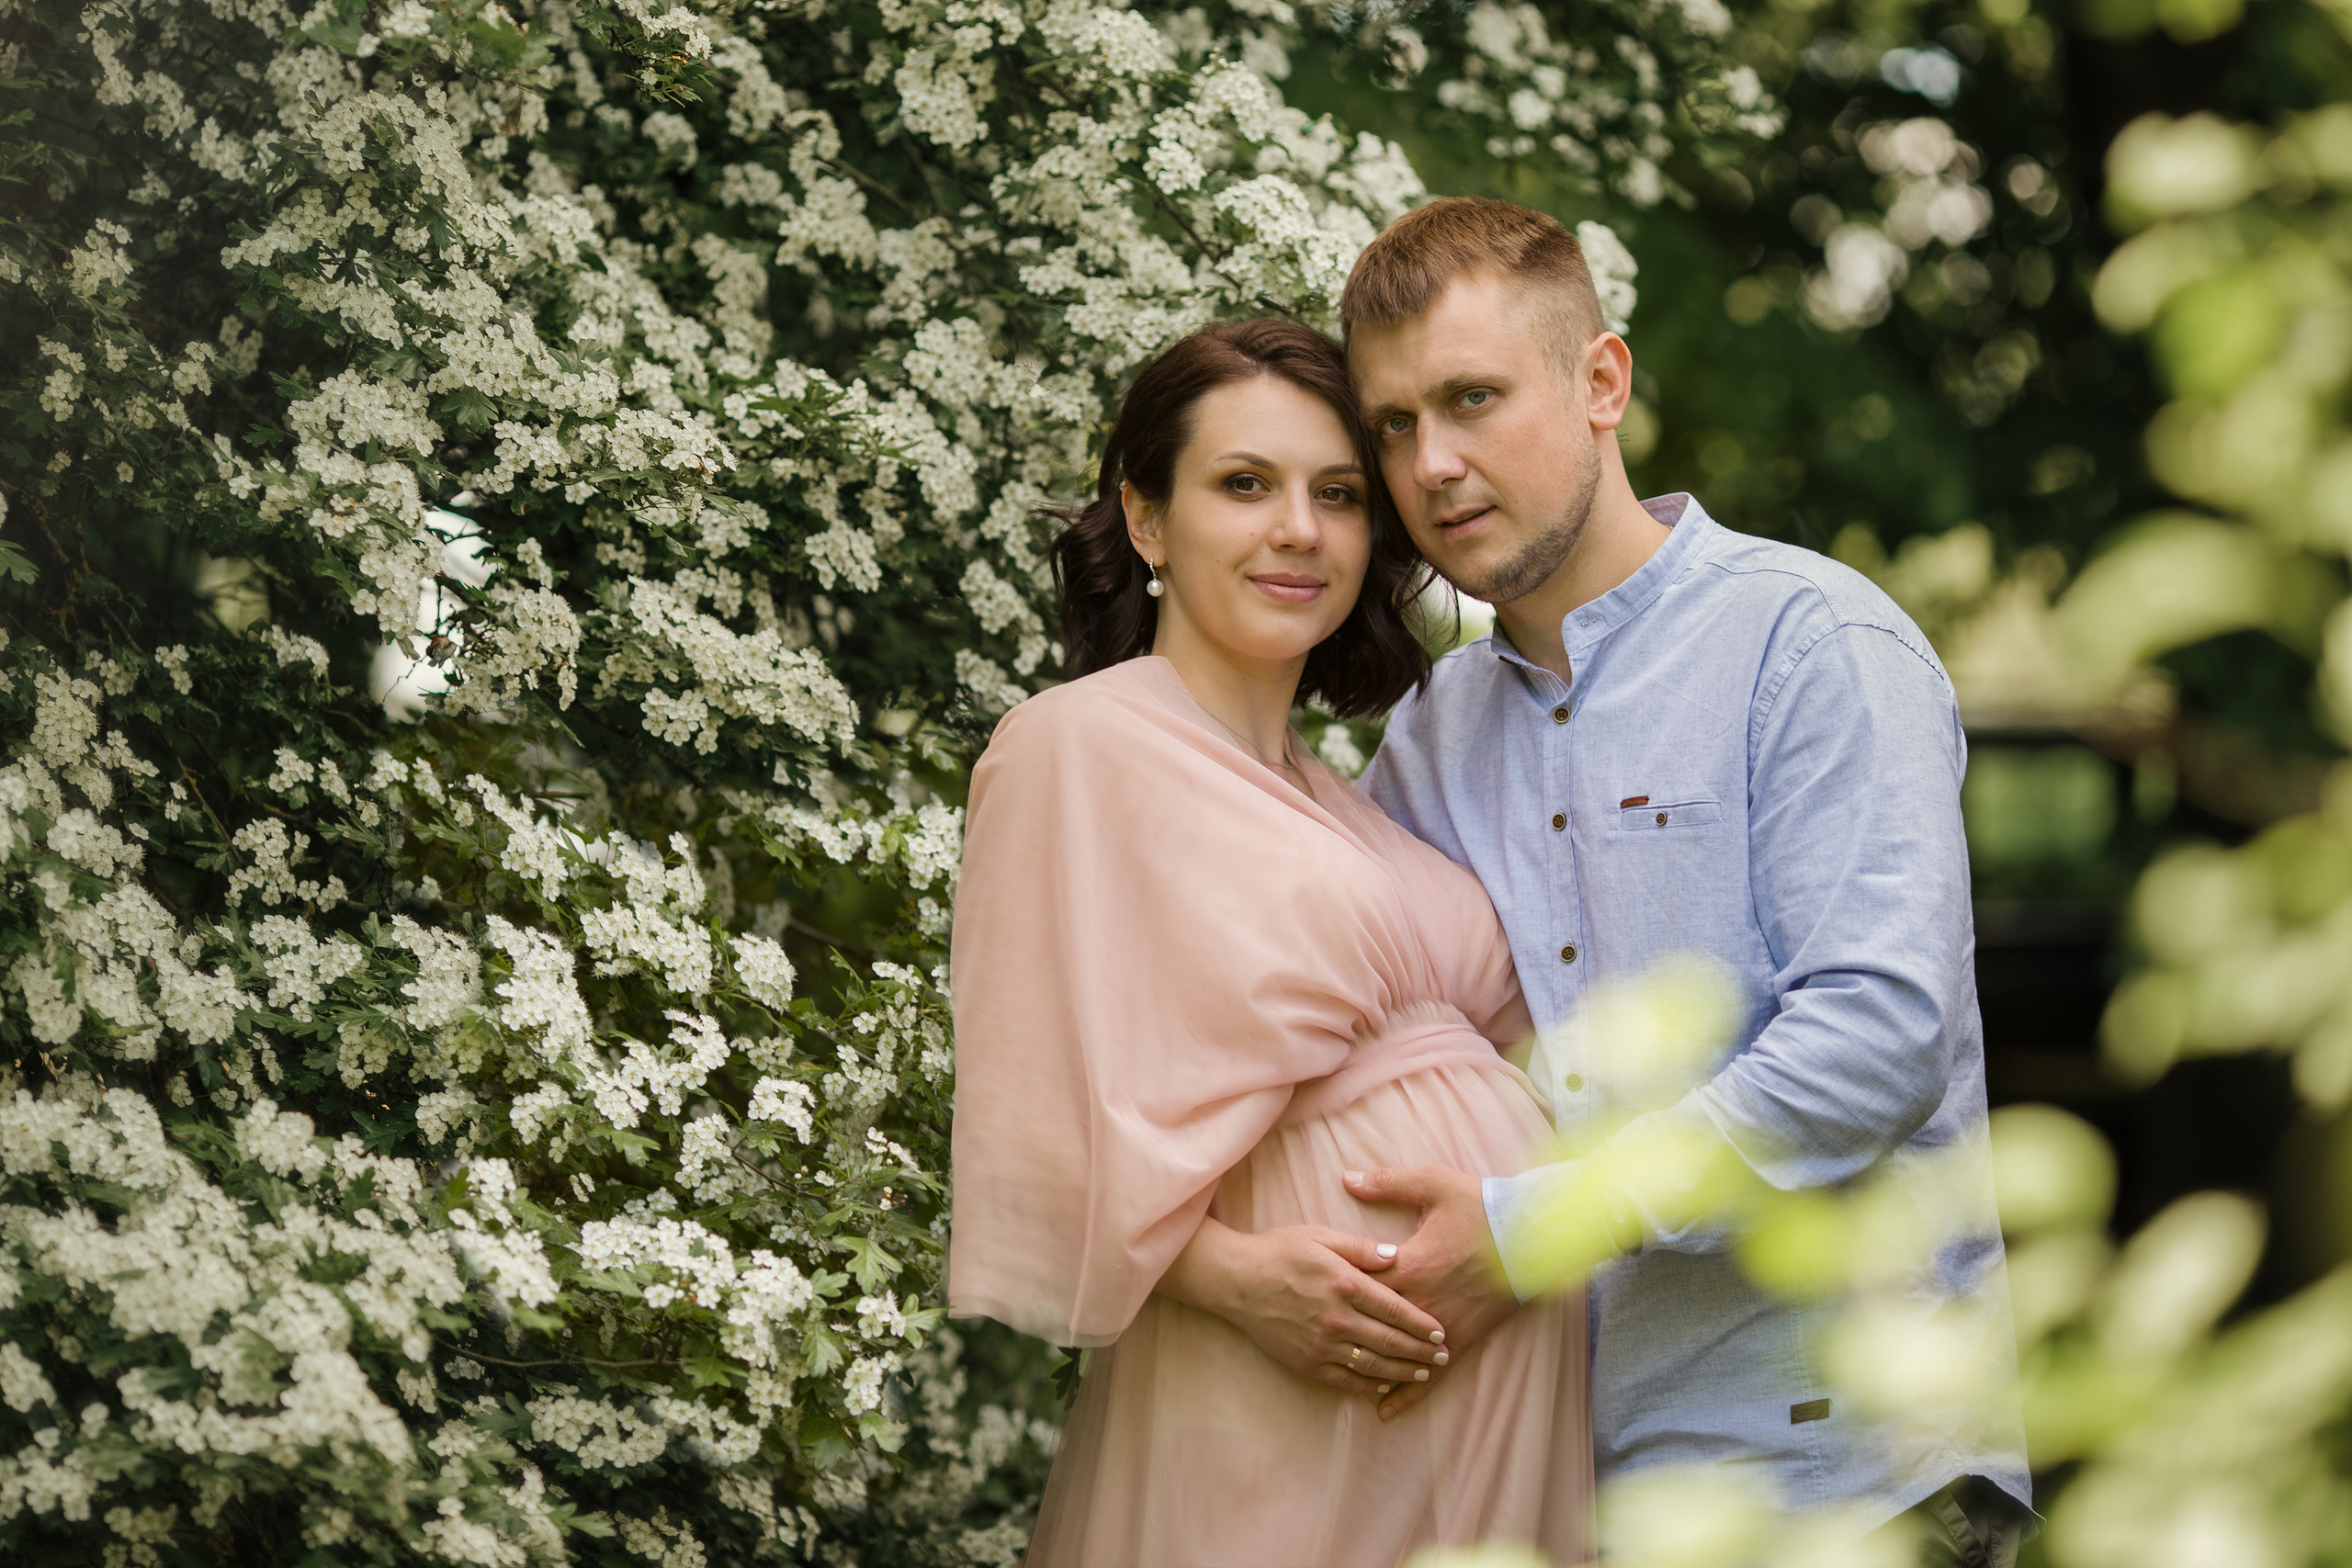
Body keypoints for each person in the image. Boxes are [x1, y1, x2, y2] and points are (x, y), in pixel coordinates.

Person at [1333, 196, 2033, 1563]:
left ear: (1602, 382)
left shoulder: (1811, 644)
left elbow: (1877, 1041)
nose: (1435, 463)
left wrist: (1532, 1233)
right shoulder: (1426, 742)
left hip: (1850, 1483)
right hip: (1572, 1498)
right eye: (1396, 425)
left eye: (1473, 399)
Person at [947, 319, 1593, 1567]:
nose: (1299, 529)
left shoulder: (1361, 791)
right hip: (1279, 1389)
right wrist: (1243, 1285)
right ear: (1147, 519)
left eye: (1339, 495)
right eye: (1246, 485)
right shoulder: (1074, 748)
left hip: (1493, 1411)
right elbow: (1030, 1130)